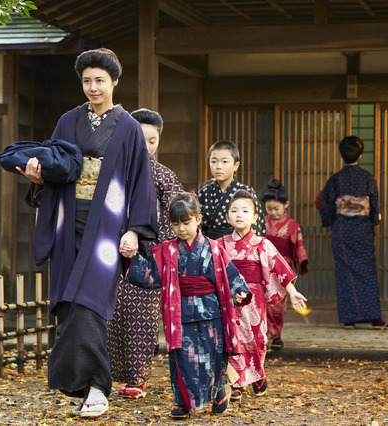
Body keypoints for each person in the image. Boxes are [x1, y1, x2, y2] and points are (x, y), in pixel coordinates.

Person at [16, 48, 158, 418]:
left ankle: (97, 386)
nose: (93, 87)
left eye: (100, 80)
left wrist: (136, 230)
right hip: (67, 220)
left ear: (114, 81)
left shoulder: (127, 127)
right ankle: (82, 384)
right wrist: (37, 177)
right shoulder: (67, 121)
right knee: (68, 301)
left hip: (108, 228)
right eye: (86, 81)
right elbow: (55, 168)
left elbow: (141, 183)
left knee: (91, 303)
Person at [125, 192, 252, 418]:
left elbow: (229, 274)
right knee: (183, 358)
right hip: (180, 313)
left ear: (199, 219)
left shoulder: (214, 248)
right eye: (175, 224)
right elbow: (150, 275)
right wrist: (131, 258)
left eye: (186, 223)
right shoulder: (167, 250)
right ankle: (182, 401)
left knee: (211, 357)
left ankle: (219, 389)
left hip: (211, 312)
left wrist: (239, 290)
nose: (181, 229)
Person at [107, 108, 183, 399]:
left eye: (152, 141)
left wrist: (155, 249)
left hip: (150, 259)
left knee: (143, 317)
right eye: (141, 139)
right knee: (113, 315)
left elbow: (177, 218)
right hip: (112, 253)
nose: (147, 146)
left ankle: (137, 378)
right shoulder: (113, 171)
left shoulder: (164, 175)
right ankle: (115, 374)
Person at [216, 190, 306, 401]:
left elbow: (279, 269)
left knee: (257, 339)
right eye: (234, 211)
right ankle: (236, 381)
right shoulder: (220, 244)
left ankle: (257, 373)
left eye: (245, 210)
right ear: (227, 217)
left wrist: (292, 292)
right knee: (233, 338)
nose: (239, 214)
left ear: (255, 217)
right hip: (229, 298)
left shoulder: (262, 244)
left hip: (254, 298)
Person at [318, 135, 388, 330]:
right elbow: (374, 206)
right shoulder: (368, 178)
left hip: (342, 228)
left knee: (344, 272)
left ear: (341, 155)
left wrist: (330, 221)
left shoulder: (335, 180)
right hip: (363, 228)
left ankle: (349, 319)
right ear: (360, 155)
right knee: (367, 271)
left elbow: (325, 205)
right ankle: (375, 318)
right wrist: (374, 220)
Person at [260, 179, 309, 349]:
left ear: (286, 204)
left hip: (282, 269)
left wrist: (300, 262)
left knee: (277, 304)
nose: (272, 212)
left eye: (276, 208)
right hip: (263, 267)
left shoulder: (292, 226)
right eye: (268, 209)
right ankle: (264, 335)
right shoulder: (260, 223)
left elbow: (298, 245)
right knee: (263, 302)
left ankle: (276, 334)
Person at [198, 140, 266, 240]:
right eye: (213, 161)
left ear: (236, 165)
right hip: (209, 249)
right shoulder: (203, 192)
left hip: (239, 248)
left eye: (225, 162)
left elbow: (257, 227)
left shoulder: (247, 193)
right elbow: (196, 226)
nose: (218, 166)